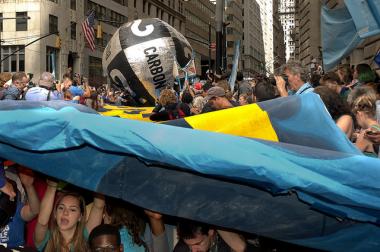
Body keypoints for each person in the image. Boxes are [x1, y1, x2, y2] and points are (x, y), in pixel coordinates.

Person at [34, 180, 105, 251]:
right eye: (61, 208)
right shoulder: (47, 239)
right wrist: (52, 187)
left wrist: (97, 177)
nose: (65, 212)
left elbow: (99, 206)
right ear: (55, 214)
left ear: (80, 217)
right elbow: (42, 222)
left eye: (72, 209)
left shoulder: (85, 237)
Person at [173, 220, 251, 252]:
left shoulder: (227, 243)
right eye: (189, 245)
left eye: (198, 244)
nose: (193, 251)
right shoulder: (182, 248)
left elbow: (240, 247)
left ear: (210, 231)